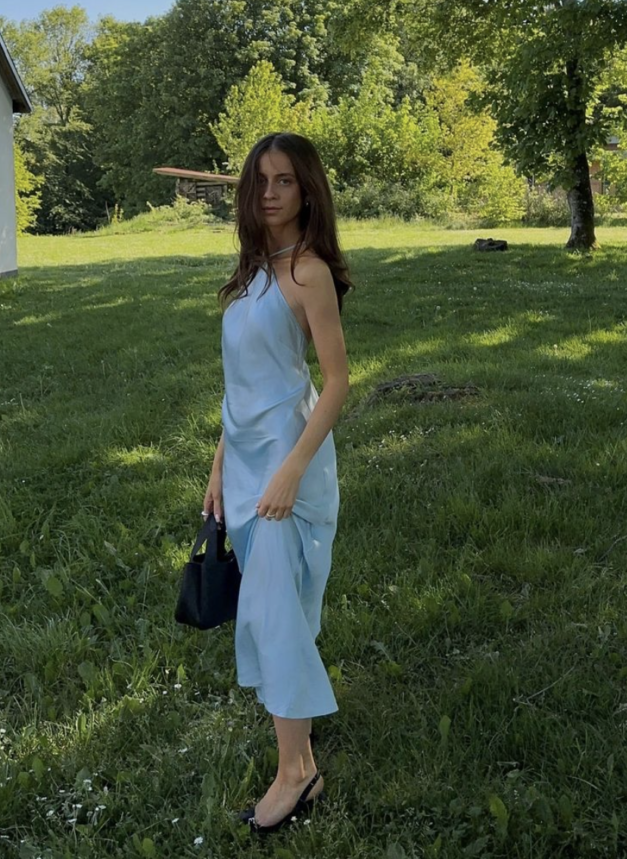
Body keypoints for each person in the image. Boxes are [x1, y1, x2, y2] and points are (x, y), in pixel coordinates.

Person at [203, 132, 352, 833]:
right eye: (259, 180)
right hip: (244, 464)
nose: (268, 192)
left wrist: (290, 467)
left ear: (306, 189)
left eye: (283, 181)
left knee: (272, 613)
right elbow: (240, 383)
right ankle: (301, 747)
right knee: (275, 611)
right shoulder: (255, 268)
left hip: (287, 468)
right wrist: (219, 462)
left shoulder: (308, 273)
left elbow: (336, 383)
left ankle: (297, 773)